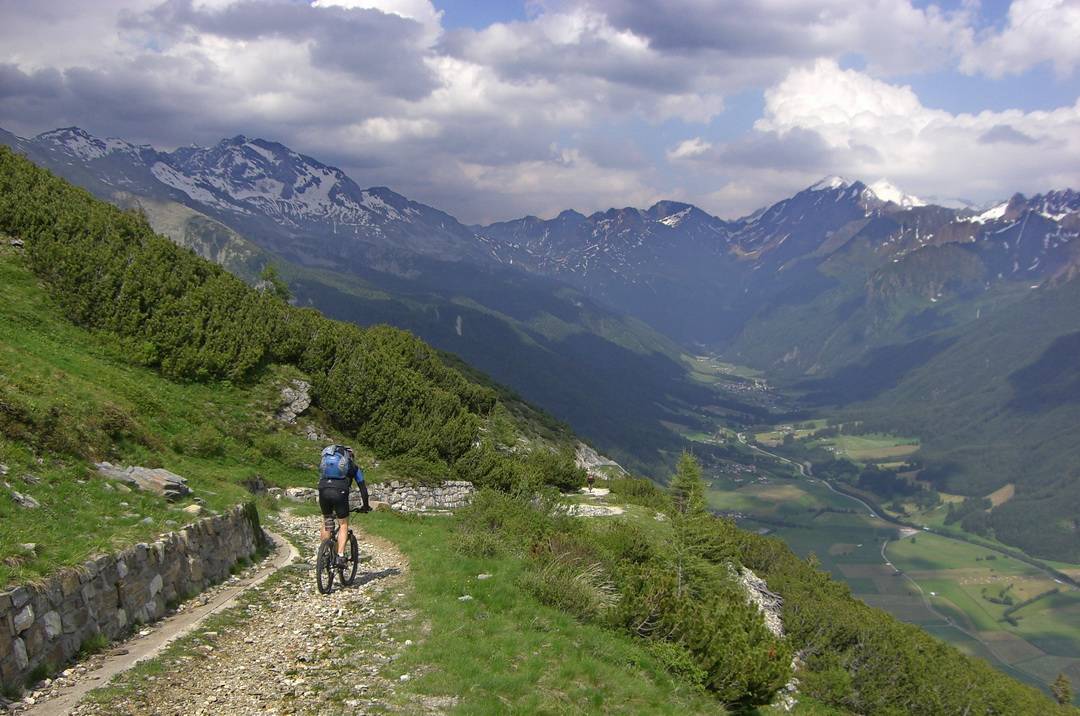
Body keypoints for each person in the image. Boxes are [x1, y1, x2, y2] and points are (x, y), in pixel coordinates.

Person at [318, 445, 371, 568]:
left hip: (323, 489)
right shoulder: (353, 467)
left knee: (327, 519)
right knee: (343, 524)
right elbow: (363, 489)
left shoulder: (327, 465)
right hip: (340, 492)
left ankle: (325, 553)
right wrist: (366, 506)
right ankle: (340, 556)